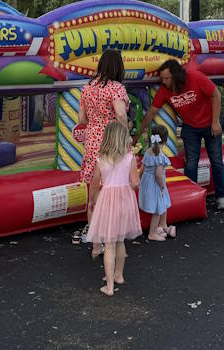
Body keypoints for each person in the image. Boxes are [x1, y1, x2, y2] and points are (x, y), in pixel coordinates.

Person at [137, 59, 224, 211]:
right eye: (162, 78)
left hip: (209, 124)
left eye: (167, 78)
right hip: (191, 128)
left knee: (217, 160)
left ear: (176, 75)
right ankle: (192, 196)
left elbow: (216, 95)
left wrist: (215, 122)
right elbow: (151, 112)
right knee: (191, 162)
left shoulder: (195, 77)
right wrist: (137, 134)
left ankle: (222, 196)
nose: (164, 81)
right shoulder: (165, 90)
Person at [75, 50, 129, 252]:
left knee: (94, 192)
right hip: (111, 142)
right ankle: (110, 237)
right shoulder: (116, 88)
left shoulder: (87, 87)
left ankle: (95, 238)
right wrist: (125, 133)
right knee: (111, 189)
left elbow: (81, 120)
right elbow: (121, 115)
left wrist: (96, 121)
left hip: (92, 141)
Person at [85, 121, 142, 296]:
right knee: (119, 240)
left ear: (107, 138)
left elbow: (94, 185)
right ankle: (118, 275)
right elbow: (135, 183)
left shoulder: (100, 159)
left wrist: (92, 201)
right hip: (125, 200)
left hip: (107, 201)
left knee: (109, 244)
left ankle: (109, 287)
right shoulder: (129, 157)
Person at [138, 123, 175, 241]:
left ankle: (163, 226)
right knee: (158, 208)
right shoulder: (160, 155)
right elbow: (158, 174)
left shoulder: (148, 151)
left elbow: (142, 168)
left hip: (146, 182)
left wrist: (139, 181)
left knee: (162, 203)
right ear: (165, 140)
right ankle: (152, 233)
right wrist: (162, 185)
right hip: (156, 184)